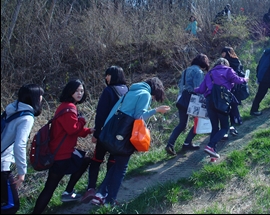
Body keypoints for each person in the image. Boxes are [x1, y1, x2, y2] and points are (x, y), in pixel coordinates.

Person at [90, 77, 170, 206]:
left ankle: (99, 194)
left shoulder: (131, 91)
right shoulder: (145, 94)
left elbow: (114, 110)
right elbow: (140, 116)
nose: (153, 99)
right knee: (121, 167)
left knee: (117, 165)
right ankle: (110, 201)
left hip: (113, 133)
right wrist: (156, 110)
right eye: (155, 97)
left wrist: (104, 129)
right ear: (154, 91)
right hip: (125, 135)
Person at [32, 79, 94, 214]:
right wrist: (82, 120)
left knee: (85, 160)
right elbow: (73, 129)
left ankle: (68, 191)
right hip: (61, 155)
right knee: (50, 187)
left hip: (63, 152)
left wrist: (89, 130)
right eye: (77, 91)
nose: (80, 93)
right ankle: (66, 193)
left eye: (82, 91)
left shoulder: (66, 106)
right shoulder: (69, 108)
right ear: (69, 91)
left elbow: (72, 130)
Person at [80, 66, 129, 203]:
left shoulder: (109, 91)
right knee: (112, 162)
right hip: (119, 135)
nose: (106, 78)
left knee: (96, 160)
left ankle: (91, 188)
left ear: (113, 76)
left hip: (105, 133)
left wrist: (97, 132)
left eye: (107, 75)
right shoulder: (127, 90)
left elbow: (101, 113)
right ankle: (106, 190)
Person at [193, 58, 248, 159]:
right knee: (225, 127)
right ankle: (210, 146)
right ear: (225, 63)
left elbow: (201, 89)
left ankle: (212, 154)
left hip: (209, 101)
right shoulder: (228, 70)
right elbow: (236, 80)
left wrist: (192, 89)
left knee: (215, 127)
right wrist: (244, 79)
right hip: (222, 101)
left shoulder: (209, 73)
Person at [2, 84, 43, 214]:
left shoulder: (11, 109)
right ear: (35, 98)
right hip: (2, 165)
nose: (42, 98)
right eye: (40, 96)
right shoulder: (26, 117)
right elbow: (20, 145)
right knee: (11, 205)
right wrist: (22, 171)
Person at [166, 54, 210, 156]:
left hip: (182, 98)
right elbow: (199, 89)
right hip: (193, 100)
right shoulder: (198, 72)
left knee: (182, 124)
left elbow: (181, 85)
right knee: (198, 121)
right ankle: (187, 142)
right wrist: (204, 101)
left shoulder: (185, 70)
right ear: (203, 62)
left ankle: (170, 144)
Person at [249, 39, 270, 116]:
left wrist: (258, 76)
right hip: (267, 77)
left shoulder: (265, 53)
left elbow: (259, 65)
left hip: (263, 75)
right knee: (261, 93)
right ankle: (254, 110)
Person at [220, 47, 245, 138]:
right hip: (236, 85)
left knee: (230, 105)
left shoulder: (227, 63)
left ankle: (232, 123)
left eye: (223, 52)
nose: (222, 54)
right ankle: (236, 120)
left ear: (226, 53)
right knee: (233, 104)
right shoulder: (236, 60)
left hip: (231, 85)